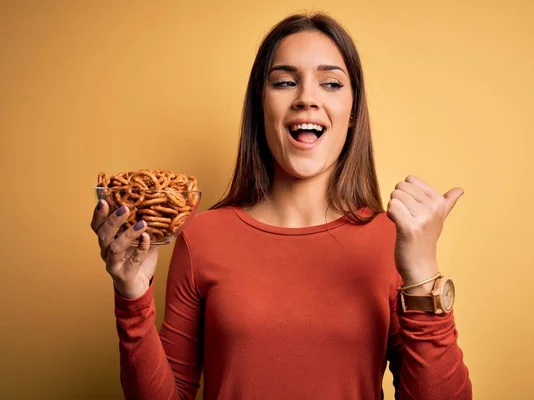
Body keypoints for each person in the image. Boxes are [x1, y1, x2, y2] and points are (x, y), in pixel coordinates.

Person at [90, 12, 472, 400]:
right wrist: (132, 297)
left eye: (331, 83)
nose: (307, 98)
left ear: (353, 112)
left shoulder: (391, 241)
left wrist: (423, 274)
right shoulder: (202, 238)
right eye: (285, 82)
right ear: (261, 107)